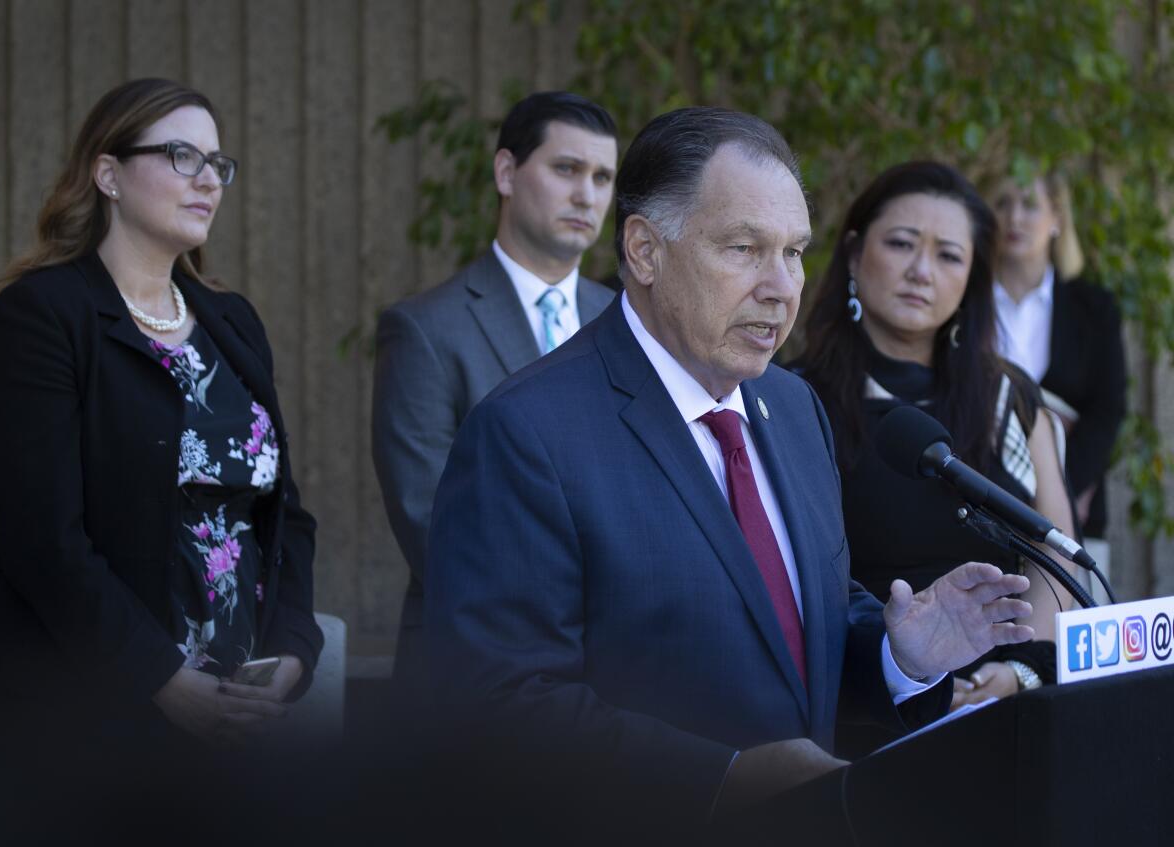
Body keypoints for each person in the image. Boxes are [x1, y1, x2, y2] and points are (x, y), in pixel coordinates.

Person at [423, 110, 1034, 838]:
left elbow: (813, 619)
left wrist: (903, 654)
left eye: (795, 253)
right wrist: (720, 779)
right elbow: (498, 702)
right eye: (745, 248)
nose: (782, 288)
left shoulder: (792, 405)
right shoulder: (526, 433)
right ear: (646, 251)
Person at [0, 78, 322, 828]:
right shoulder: (43, 316)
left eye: (218, 164)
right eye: (180, 155)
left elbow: (285, 518)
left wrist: (291, 655)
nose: (208, 179)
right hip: (86, 717)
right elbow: (45, 542)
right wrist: (162, 678)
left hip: (235, 717)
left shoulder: (232, 321)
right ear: (107, 175)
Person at [797, 161, 1079, 725]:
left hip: (1004, 705)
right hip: (859, 702)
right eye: (901, 244)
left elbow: (1056, 555)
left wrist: (1021, 671)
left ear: (973, 277)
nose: (921, 271)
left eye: (949, 255)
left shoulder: (1009, 397)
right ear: (854, 254)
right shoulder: (792, 397)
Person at [371, 91, 617, 683]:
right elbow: (431, 521)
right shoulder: (426, 329)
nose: (588, 194)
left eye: (604, 176)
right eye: (566, 169)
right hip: (476, 674)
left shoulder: (626, 322)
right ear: (506, 172)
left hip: (620, 678)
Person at [988, 170, 1126, 540]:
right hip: (979, 507)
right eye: (1003, 204)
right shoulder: (964, 301)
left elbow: (1108, 407)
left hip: (1076, 504)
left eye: (1029, 205)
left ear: (1057, 219)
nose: (1014, 218)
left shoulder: (1094, 307)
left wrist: (1065, 490)